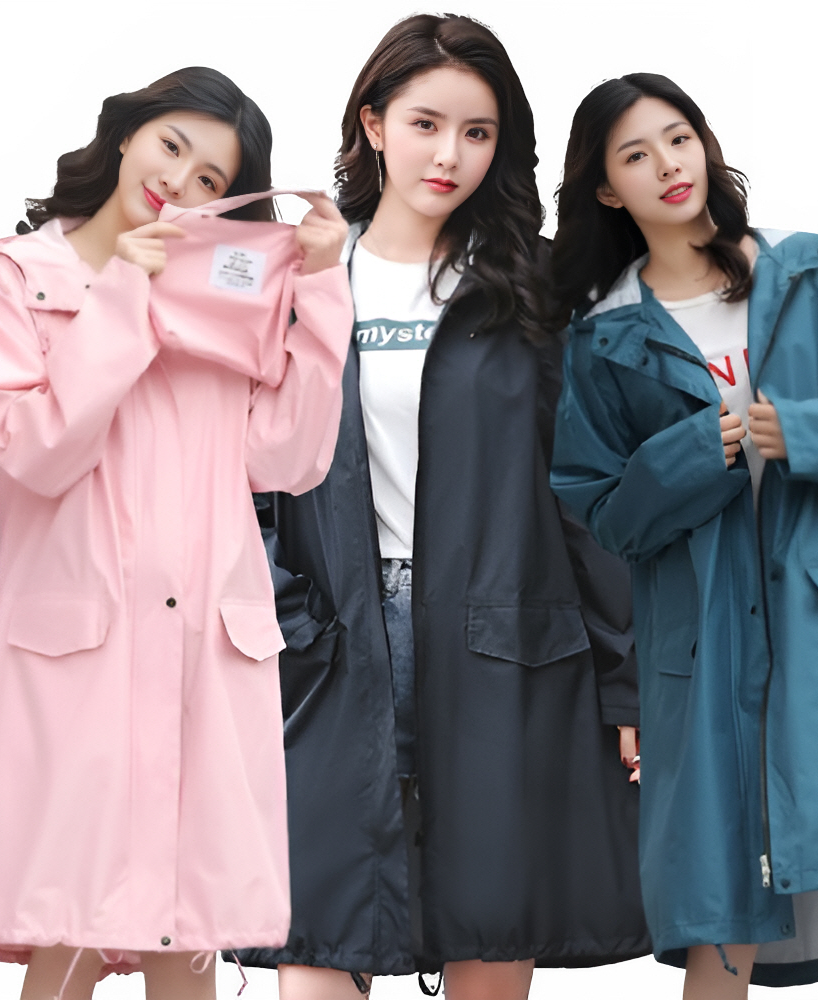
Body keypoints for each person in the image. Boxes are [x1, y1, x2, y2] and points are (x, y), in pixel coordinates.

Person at [232, 15, 649, 1000]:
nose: (450, 154)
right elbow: (231, 476)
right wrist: (283, 619)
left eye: (478, 132)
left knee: (491, 927)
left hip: (506, 647)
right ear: (373, 124)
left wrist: (629, 685)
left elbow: (588, 495)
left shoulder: (538, 287)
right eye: (425, 124)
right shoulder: (295, 279)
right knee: (316, 936)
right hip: (328, 646)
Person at [549, 72, 818, 999]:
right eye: (636, 155)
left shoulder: (807, 270)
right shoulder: (603, 337)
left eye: (678, 138)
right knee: (721, 905)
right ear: (607, 188)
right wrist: (697, 452)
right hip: (707, 641)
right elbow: (603, 511)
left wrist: (808, 432)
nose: (668, 165)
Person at [0, 66, 352, 1000]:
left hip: (204, 649)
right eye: (171, 145)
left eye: (211, 178)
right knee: (69, 927)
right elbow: (37, 450)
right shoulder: (17, 278)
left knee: (190, 930)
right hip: (76, 659)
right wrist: (122, 296)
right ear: (127, 133)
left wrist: (322, 293)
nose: (179, 182)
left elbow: (287, 459)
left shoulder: (223, 298)